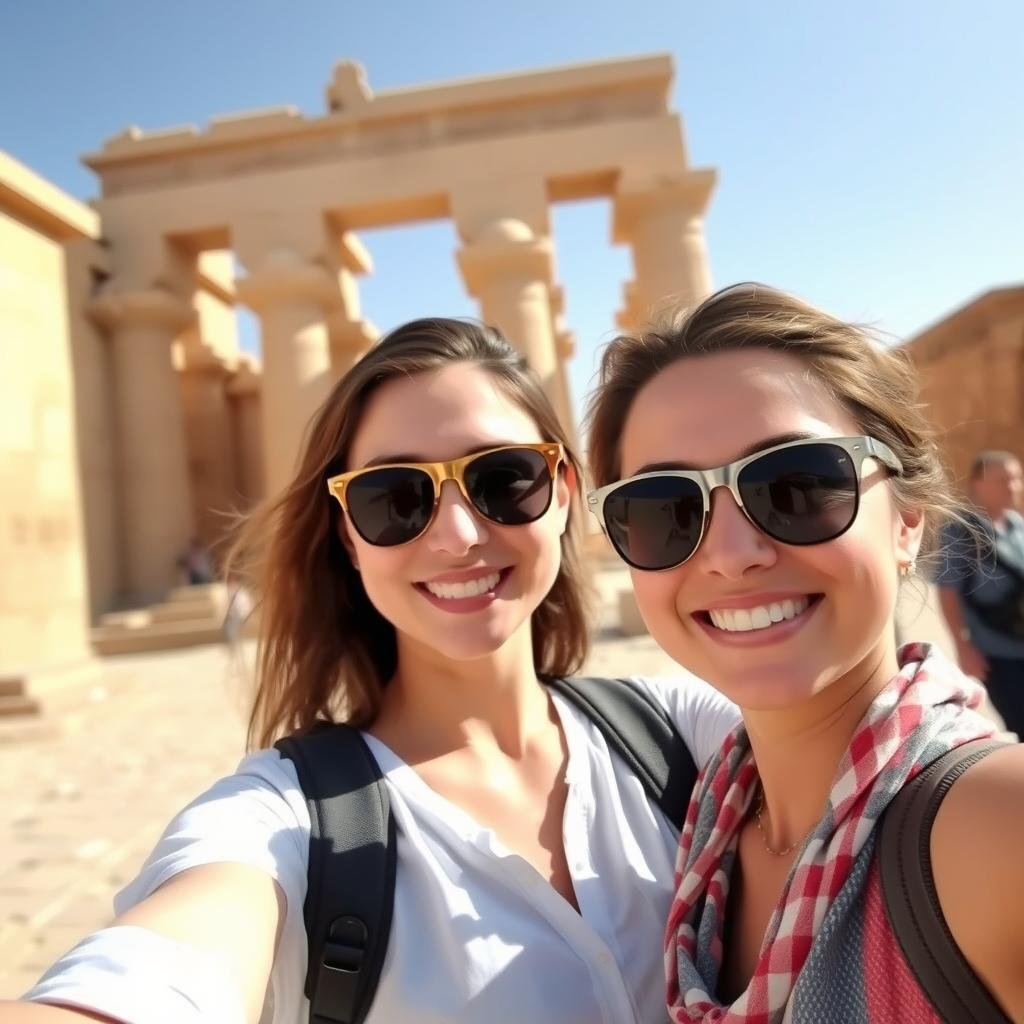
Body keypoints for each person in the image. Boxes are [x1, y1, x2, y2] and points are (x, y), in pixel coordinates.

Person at [9, 318, 738, 1024]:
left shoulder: (686, 735)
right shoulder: (282, 822)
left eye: (503, 478)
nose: (456, 536)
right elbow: (167, 964)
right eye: (393, 497)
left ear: (565, 494)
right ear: (349, 539)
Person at [586, 284, 1024, 1022]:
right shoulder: (700, 828)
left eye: (799, 483)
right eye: (665, 508)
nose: (731, 555)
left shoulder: (996, 828)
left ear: (907, 520)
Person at [936, 449, 1024, 737]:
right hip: (999, 651)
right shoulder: (960, 531)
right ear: (977, 484)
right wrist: (963, 647)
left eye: (1015, 479)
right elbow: (948, 591)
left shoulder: (1017, 524)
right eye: (1001, 480)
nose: (1012, 487)